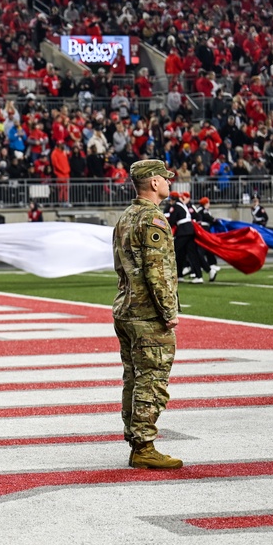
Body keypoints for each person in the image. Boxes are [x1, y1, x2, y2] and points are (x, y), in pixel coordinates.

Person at [112, 159, 183, 470]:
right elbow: (157, 272)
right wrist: (169, 311)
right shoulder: (154, 219)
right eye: (165, 178)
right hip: (147, 314)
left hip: (126, 308)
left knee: (133, 379)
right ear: (154, 182)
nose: (168, 182)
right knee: (152, 379)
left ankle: (135, 439)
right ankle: (144, 446)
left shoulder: (126, 217)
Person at [167, 191, 204, 283]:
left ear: (173, 199)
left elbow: (172, 220)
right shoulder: (183, 205)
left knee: (174, 251)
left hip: (183, 231)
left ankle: (177, 274)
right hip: (190, 230)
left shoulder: (175, 206)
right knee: (191, 253)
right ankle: (198, 276)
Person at [193, 197, 221, 281]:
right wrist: (214, 220)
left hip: (203, 230)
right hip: (204, 230)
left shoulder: (201, 210)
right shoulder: (203, 210)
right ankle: (209, 265)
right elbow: (208, 218)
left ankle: (210, 265)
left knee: (203, 249)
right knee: (201, 250)